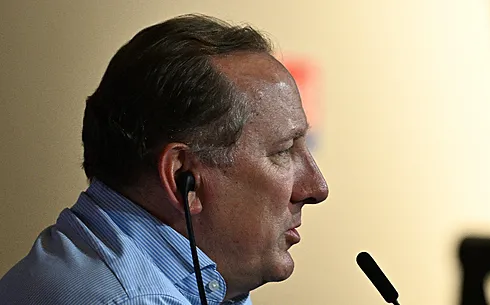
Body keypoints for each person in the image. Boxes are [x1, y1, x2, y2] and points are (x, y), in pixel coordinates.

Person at [0, 14, 329, 305]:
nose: (317, 187)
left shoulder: (93, 255)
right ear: (184, 177)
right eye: (284, 151)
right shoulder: (133, 299)